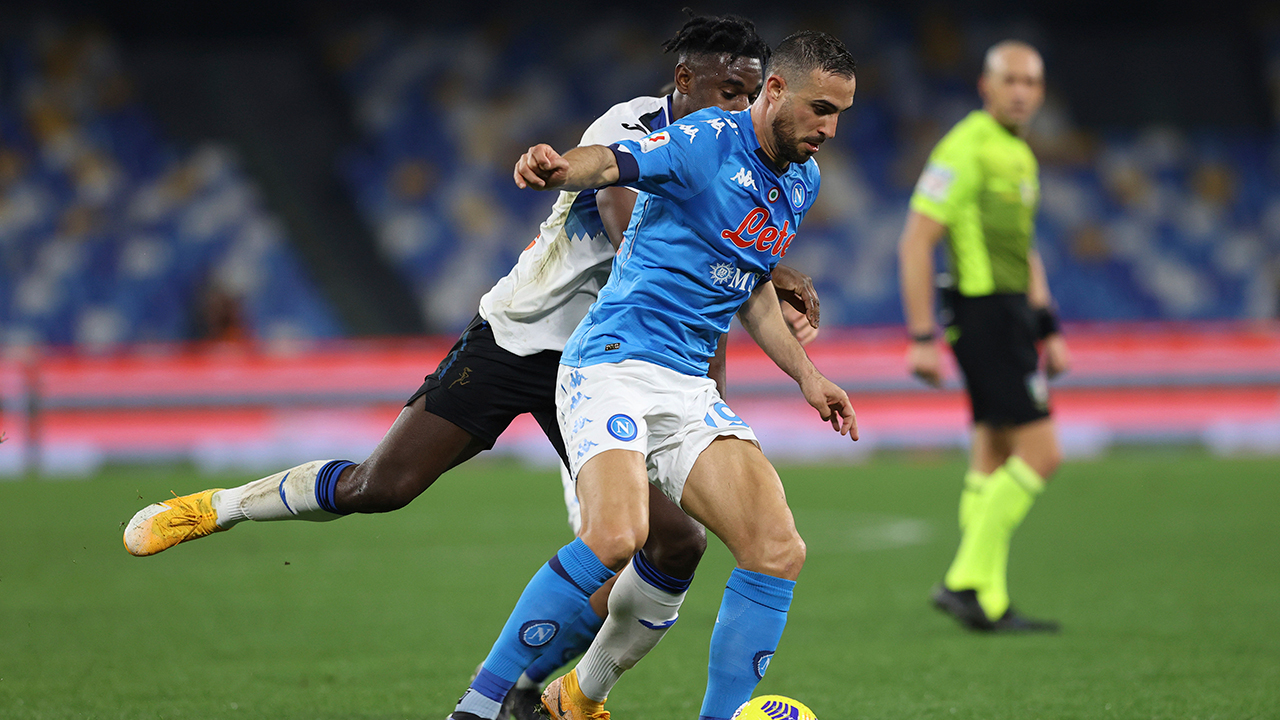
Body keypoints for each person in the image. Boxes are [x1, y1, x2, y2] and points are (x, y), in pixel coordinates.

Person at [121, 14, 815, 720]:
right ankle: (220, 507)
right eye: (728, 90)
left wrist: (750, 285)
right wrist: (758, 260)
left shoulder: (748, 162)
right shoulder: (632, 127)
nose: (740, 107)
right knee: (381, 485)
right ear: (684, 80)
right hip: (524, 337)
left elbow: (709, 281)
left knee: (674, 544)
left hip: (621, 362)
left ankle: (562, 697)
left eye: (752, 95)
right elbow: (626, 214)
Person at [448, 30, 857, 720]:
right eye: (820, 108)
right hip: (611, 363)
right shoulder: (705, 140)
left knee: (778, 548)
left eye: (841, 113)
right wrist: (557, 166)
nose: (830, 128)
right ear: (776, 91)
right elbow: (614, 162)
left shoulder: (800, 181)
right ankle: (479, 707)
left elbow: (751, 286)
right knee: (615, 536)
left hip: (685, 386)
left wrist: (807, 377)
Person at [898, 40, 1069, 633]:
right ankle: (962, 580)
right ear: (986, 86)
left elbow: (1021, 250)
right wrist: (922, 336)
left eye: (1031, 82)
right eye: (1010, 80)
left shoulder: (1019, 153)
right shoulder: (966, 147)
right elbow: (917, 240)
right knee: (1042, 454)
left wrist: (1049, 330)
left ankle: (986, 600)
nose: (1021, 91)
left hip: (1013, 316)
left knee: (993, 455)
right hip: (984, 316)